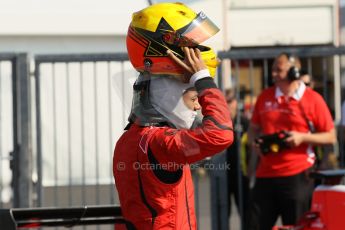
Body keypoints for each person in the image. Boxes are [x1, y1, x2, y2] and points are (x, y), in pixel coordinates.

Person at [113, 3, 234, 229]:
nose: (198, 107)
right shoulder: (161, 142)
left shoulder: (129, 139)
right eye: (194, 97)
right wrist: (203, 80)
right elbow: (221, 135)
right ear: (169, 92)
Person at [247, 53, 336, 230]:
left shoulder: (313, 99)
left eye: (278, 70)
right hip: (265, 174)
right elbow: (252, 129)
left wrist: (302, 137)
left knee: (297, 226)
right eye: (272, 69)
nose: (273, 74)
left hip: (298, 176)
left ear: (294, 72)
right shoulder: (265, 96)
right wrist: (254, 143)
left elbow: (330, 136)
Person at [225, 89, 250, 229]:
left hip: (242, 173)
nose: (227, 104)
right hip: (223, 173)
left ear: (235, 102)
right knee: (222, 210)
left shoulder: (245, 122)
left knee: (246, 211)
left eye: (230, 101)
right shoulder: (217, 122)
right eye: (224, 101)